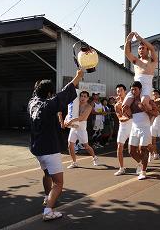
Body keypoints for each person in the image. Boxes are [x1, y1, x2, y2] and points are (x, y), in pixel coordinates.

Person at [28, 69, 83, 220]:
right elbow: (64, 94)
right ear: (48, 94)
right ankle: (48, 211)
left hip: (37, 149)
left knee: (47, 174)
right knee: (58, 183)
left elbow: (53, 95)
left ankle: (47, 197)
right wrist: (78, 77)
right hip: (49, 149)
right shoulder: (49, 105)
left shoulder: (32, 102)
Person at [122, 32, 158, 118]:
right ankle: (132, 119)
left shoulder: (152, 60)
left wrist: (140, 38)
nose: (141, 50)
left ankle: (153, 113)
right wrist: (128, 40)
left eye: (143, 48)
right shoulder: (136, 60)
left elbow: (152, 49)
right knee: (124, 106)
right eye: (140, 48)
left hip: (146, 86)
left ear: (147, 50)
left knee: (144, 103)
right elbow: (127, 53)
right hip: (135, 86)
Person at [128, 81, 158, 180]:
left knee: (142, 149)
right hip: (134, 128)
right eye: (132, 89)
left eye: (135, 89)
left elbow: (155, 113)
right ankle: (141, 163)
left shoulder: (146, 100)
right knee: (131, 151)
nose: (133, 91)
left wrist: (145, 109)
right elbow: (128, 114)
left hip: (145, 128)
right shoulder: (130, 100)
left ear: (140, 90)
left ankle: (144, 171)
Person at [66, 91, 100, 169]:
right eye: (81, 96)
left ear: (88, 98)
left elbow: (82, 118)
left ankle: (94, 157)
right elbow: (69, 113)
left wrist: (70, 121)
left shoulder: (89, 107)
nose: (83, 98)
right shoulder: (76, 104)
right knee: (70, 145)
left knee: (86, 146)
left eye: (85, 96)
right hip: (74, 128)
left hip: (82, 129)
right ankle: (74, 162)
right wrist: (65, 120)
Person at [114, 84, 133, 176]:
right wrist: (127, 116)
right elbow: (120, 118)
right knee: (119, 147)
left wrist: (128, 116)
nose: (119, 92)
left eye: (121, 90)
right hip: (122, 127)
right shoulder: (117, 105)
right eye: (118, 91)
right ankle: (121, 168)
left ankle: (139, 165)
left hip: (132, 126)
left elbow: (131, 114)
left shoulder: (130, 102)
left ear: (125, 91)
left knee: (134, 149)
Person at [148, 89, 160, 162]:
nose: (154, 95)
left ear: (159, 94)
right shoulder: (151, 102)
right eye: (153, 94)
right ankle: (155, 153)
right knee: (152, 139)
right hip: (153, 122)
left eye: (156, 94)